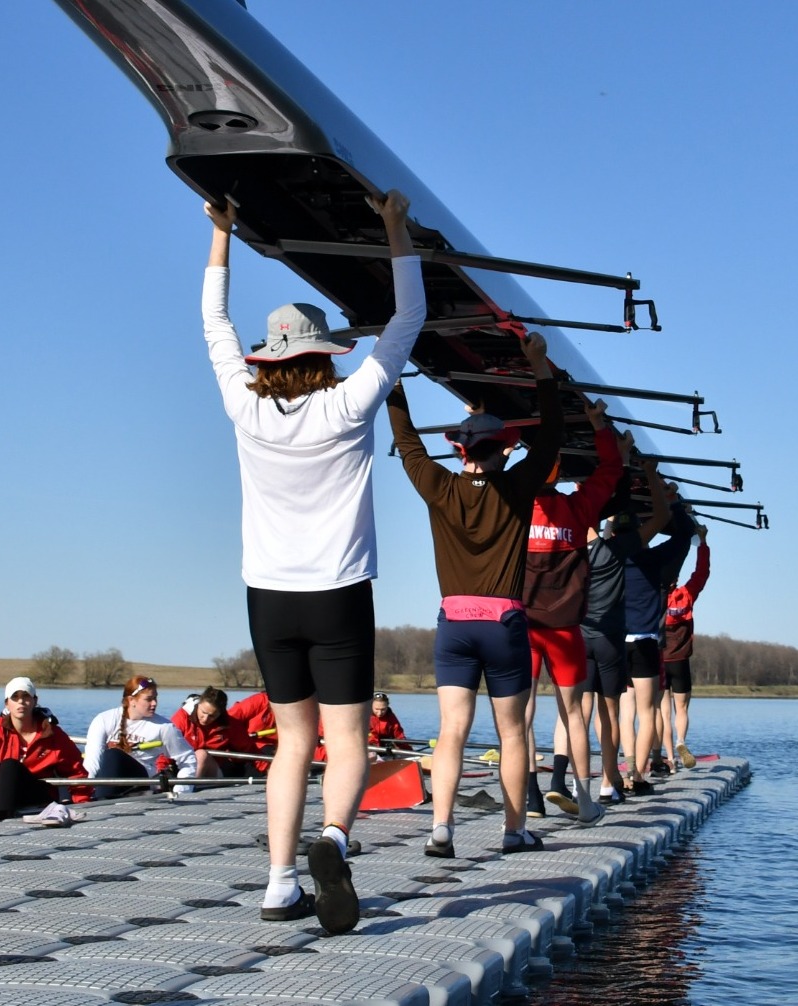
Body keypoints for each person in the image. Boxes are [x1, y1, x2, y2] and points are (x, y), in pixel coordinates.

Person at [202, 189, 422, 934]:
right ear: (322, 355)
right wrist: (394, 231)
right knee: (347, 738)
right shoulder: (346, 404)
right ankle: (332, 839)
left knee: (290, 742)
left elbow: (214, 327)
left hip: (267, 598)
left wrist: (222, 238)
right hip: (337, 594)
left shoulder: (245, 407)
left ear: (270, 358)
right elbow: (406, 323)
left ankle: (276, 883)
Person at [389, 329, 562, 857]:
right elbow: (552, 434)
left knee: (451, 732)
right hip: (504, 625)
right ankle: (514, 832)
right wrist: (540, 368)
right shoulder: (516, 486)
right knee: (512, 734)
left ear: (461, 451)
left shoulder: (438, 487)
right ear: (505, 452)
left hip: (454, 625)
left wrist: (393, 378)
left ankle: (441, 829)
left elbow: (408, 439)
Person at [520, 398, 621, 823]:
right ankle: (583, 801)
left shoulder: (515, 508)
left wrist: (495, 437)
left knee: (519, 716)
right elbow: (611, 471)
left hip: (522, 627)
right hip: (565, 631)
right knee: (573, 714)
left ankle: (529, 799)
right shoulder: (579, 508)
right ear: (557, 472)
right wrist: (600, 427)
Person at [575, 466, 670, 804]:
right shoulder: (632, 553)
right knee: (616, 714)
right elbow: (662, 517)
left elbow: (589, 520)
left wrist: (588, 484)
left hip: (584, 637)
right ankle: (618, 781)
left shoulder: (586, 547)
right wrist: (652, 477)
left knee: (580, 715)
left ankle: (577, 785)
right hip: (617, 641)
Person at [620, 493, 698, 794]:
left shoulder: (607, 555)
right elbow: (683, 537)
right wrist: (674, 504)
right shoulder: (653, 560)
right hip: (645, 642)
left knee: (624, 712)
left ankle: (623, 771)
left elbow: (591, 533)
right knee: (649, 711)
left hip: (616, 642)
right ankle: (639, 776)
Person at [0, 676, 89, 818]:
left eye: (26, 696)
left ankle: (4, 817)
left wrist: (83, 804)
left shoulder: (52, 733)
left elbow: (76, 773)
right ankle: (0, 818)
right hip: (3, 797)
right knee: (9, 767)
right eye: (15, 697)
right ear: (7, 704)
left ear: (35, 701)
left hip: (39, 799)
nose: (21, 701)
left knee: (9, 765)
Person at [82, 675, 198, 797]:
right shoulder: (103, 720)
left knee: (113, 754)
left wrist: (182, 791)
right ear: (132, 700)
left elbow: (188, 759)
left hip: (141, 781)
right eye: (148, 699)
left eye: (155, 698)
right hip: (107, 777)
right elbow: (92, 760)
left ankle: (100, 799)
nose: (154, 703)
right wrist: (84, 789)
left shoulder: (164, 727)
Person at [659, 522, 710, 771]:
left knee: (662, 711)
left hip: (659, 661)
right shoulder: (686, 596)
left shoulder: (654, 597)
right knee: (682, 708)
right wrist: (703, 544)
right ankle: (681, 742)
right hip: (680, 661)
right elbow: (702, 573)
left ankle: (669, 757)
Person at [172, 687, 253, 777]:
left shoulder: (229, 724)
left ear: (220, 714)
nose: (205, 719)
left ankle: (189, 786)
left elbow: (249, 750)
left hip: (214, 770)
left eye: (212, 716)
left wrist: (266, 770)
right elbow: (167, 745)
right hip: (182, 767)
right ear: (199, 704)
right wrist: (161, 769)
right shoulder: (182, 717)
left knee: (201, 755)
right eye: (203, 712)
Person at [229, 690, 278, 774]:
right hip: (245, 749)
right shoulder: (260, 700)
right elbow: (229, 719)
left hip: (272, 751)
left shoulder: (299, 711)